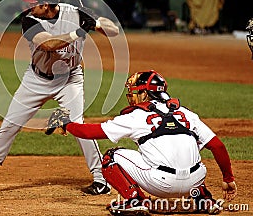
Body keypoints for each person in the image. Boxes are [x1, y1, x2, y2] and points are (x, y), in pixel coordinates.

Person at [0, 0, 120, 196]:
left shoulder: (77, 13)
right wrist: (77, 33)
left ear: (45, 4)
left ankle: (101, 179)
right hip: (37, 80)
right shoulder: (29, 19)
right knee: (9, 125)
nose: (28, 6)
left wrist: (96, 23)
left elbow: (115, 31)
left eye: (33, 2)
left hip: (70, 79)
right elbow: (48, 45)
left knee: (78, 126)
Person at [47, 70, 237, 215]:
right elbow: (217, 146)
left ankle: (134, 200)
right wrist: (228, 179)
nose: (132, 96)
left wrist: (67, 124)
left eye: (136, 92)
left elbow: (91, 132)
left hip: (160, 184)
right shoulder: (186, 113)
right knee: (190, 156)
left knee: (111, 157)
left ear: (146, 94)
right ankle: (203, 199)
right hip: (193, 182)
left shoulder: (137, 116)